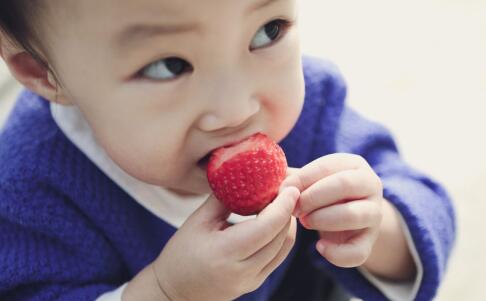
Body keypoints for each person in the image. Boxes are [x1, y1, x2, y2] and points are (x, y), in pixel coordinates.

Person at [0, 0, 455, 300]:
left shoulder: (314, 104)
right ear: (43, 73)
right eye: (168, 66)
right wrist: (166, 292)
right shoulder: (28, 186)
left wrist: (376, 228)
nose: (238, 109)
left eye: (267, 31)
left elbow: (425, 205)